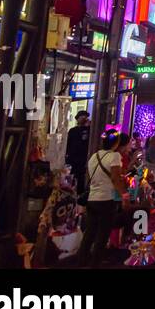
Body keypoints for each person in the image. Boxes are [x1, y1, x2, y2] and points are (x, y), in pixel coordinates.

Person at [80, 130, 129, 267]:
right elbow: (115, 178)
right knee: (103, 233)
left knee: (90, 232)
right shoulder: (114, 156)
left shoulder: (94, 156)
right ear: (116, 143)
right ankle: (96, 262)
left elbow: (90, 177)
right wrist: (124, 195)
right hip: (106, 199)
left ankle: (82, 259)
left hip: (92, 198)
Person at [64, 110, 92, 199]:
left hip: (83, 159)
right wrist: (66, 155)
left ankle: (79, 195)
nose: (84, 119)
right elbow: (68, 144)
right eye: (81, 117)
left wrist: (88, 127)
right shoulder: (73, 131)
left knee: (81, 178)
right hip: (72, 158)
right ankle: (69, 194)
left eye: (85, 117)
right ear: (77, 119)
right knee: (70, 177)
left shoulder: (89, 130)